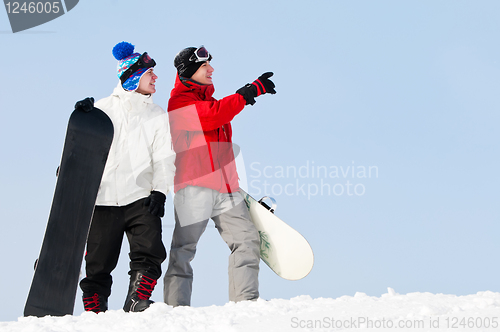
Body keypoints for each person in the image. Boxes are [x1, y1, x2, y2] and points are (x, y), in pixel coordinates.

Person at [163, 45, 276, 306]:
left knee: (248, 241)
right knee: (184, 250)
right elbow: (213, 117)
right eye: (205, 66)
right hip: (194, 189)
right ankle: (175, 311)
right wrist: (248, 93)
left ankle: (245, 304)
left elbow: (218, 113)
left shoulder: (213, 102)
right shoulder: (179, 104)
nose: (211, 69)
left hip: (227, 190)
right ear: (190, 71)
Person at [75, 41, 175, 313]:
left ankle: (136, 299)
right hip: (103, 198)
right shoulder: (102, 108)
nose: (156, 77)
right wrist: (85, 117)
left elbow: (164, 158)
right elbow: (81, 145)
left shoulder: (157, 114)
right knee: (97, 262)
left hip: (141, 197)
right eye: (150, 73)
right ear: (133, 77)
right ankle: (95, 310)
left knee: (150, 250)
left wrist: (160, 191)